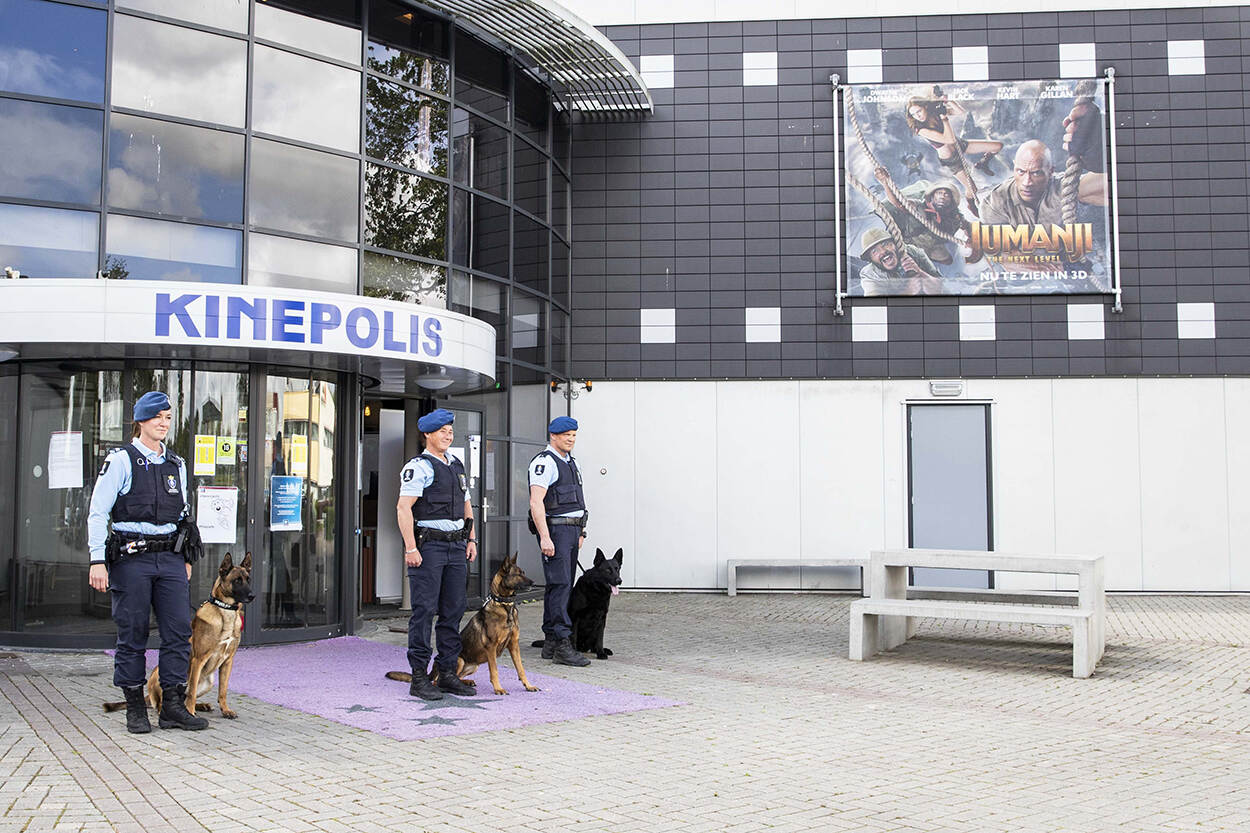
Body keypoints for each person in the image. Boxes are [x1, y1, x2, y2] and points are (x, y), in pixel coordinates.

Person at [88, 391, 208, 733]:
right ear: (141, 420)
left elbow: (183, 514)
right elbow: (98, 513)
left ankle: (172, 706)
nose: (164, 423)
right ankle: (136, 707)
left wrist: (186, 558)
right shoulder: (121, 460)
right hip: (132, 560)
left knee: (178, 633)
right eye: (157, 417)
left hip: (170, 559)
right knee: (133, 633)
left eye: (168, 418)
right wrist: (97, 559)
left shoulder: (177, 464)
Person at [396, 408, 477, 700]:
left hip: (456, 546)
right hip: (429, 547)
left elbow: (466, 504)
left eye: (450, 431)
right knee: (424, 611)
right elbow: (403, 508)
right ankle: (419, 677)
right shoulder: (419, 467)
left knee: (453, 611)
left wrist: (471, 538)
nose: (448, 435)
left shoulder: (456, 464)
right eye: (442, 431)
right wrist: (411, 547)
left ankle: (447, 673)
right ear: (428, 434)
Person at [527, 416, 591, 667]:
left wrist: (581, 531)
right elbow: (536, 502)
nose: (571, 439)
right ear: (553, 435)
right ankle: (563, 643)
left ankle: (552, 641)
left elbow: (577, 499)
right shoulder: (545, 462)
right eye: (566, 435)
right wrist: (545, 536)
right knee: (560, 585)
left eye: (574, 435)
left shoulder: (571, 462)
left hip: (572, 531)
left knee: (561, 586)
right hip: (556, 532)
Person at [904, 92, 1003, 214]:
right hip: (950, 158)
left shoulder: (934, 112)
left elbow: (960, 112)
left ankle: (983, 163)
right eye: (913, 114)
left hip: (959, 145)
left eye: (918, 111)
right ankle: (971, 204)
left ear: (925, 106)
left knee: (997, 146)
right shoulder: (920, 129)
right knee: (972, 188)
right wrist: (944, 118)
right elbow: (949, 139)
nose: (917, 116)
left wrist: (948, 101)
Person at [979, 137, 1106, 227]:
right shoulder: (994, 203)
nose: (1027, 182)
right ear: (1014, 168)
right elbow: (997, 248)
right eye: (1021, 172)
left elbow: (1104, 182)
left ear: (1050, 172)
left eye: (1036, 173)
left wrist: (1095, 154)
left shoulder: (1060, 187)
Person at [873, 171, 971, 265]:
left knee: (947, 260)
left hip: (934, 244)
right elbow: (898, 203)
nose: (942, 197)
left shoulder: (954, 215)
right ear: (932, 197)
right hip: (912, 243)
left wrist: (970, 239)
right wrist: (885, 182)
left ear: (951, 201)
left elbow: (966, 226)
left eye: (946, 195)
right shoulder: (919, 207)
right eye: (939, 193)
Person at [856, 227, 944, 296]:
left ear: (895, 244)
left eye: (885, 244)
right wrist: (908, 291)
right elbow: (875, 305)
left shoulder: (913, 252)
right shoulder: (869, 275)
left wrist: (920, 272)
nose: (883, 251)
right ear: (870, 259)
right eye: (875, 251)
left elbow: (941, 288)